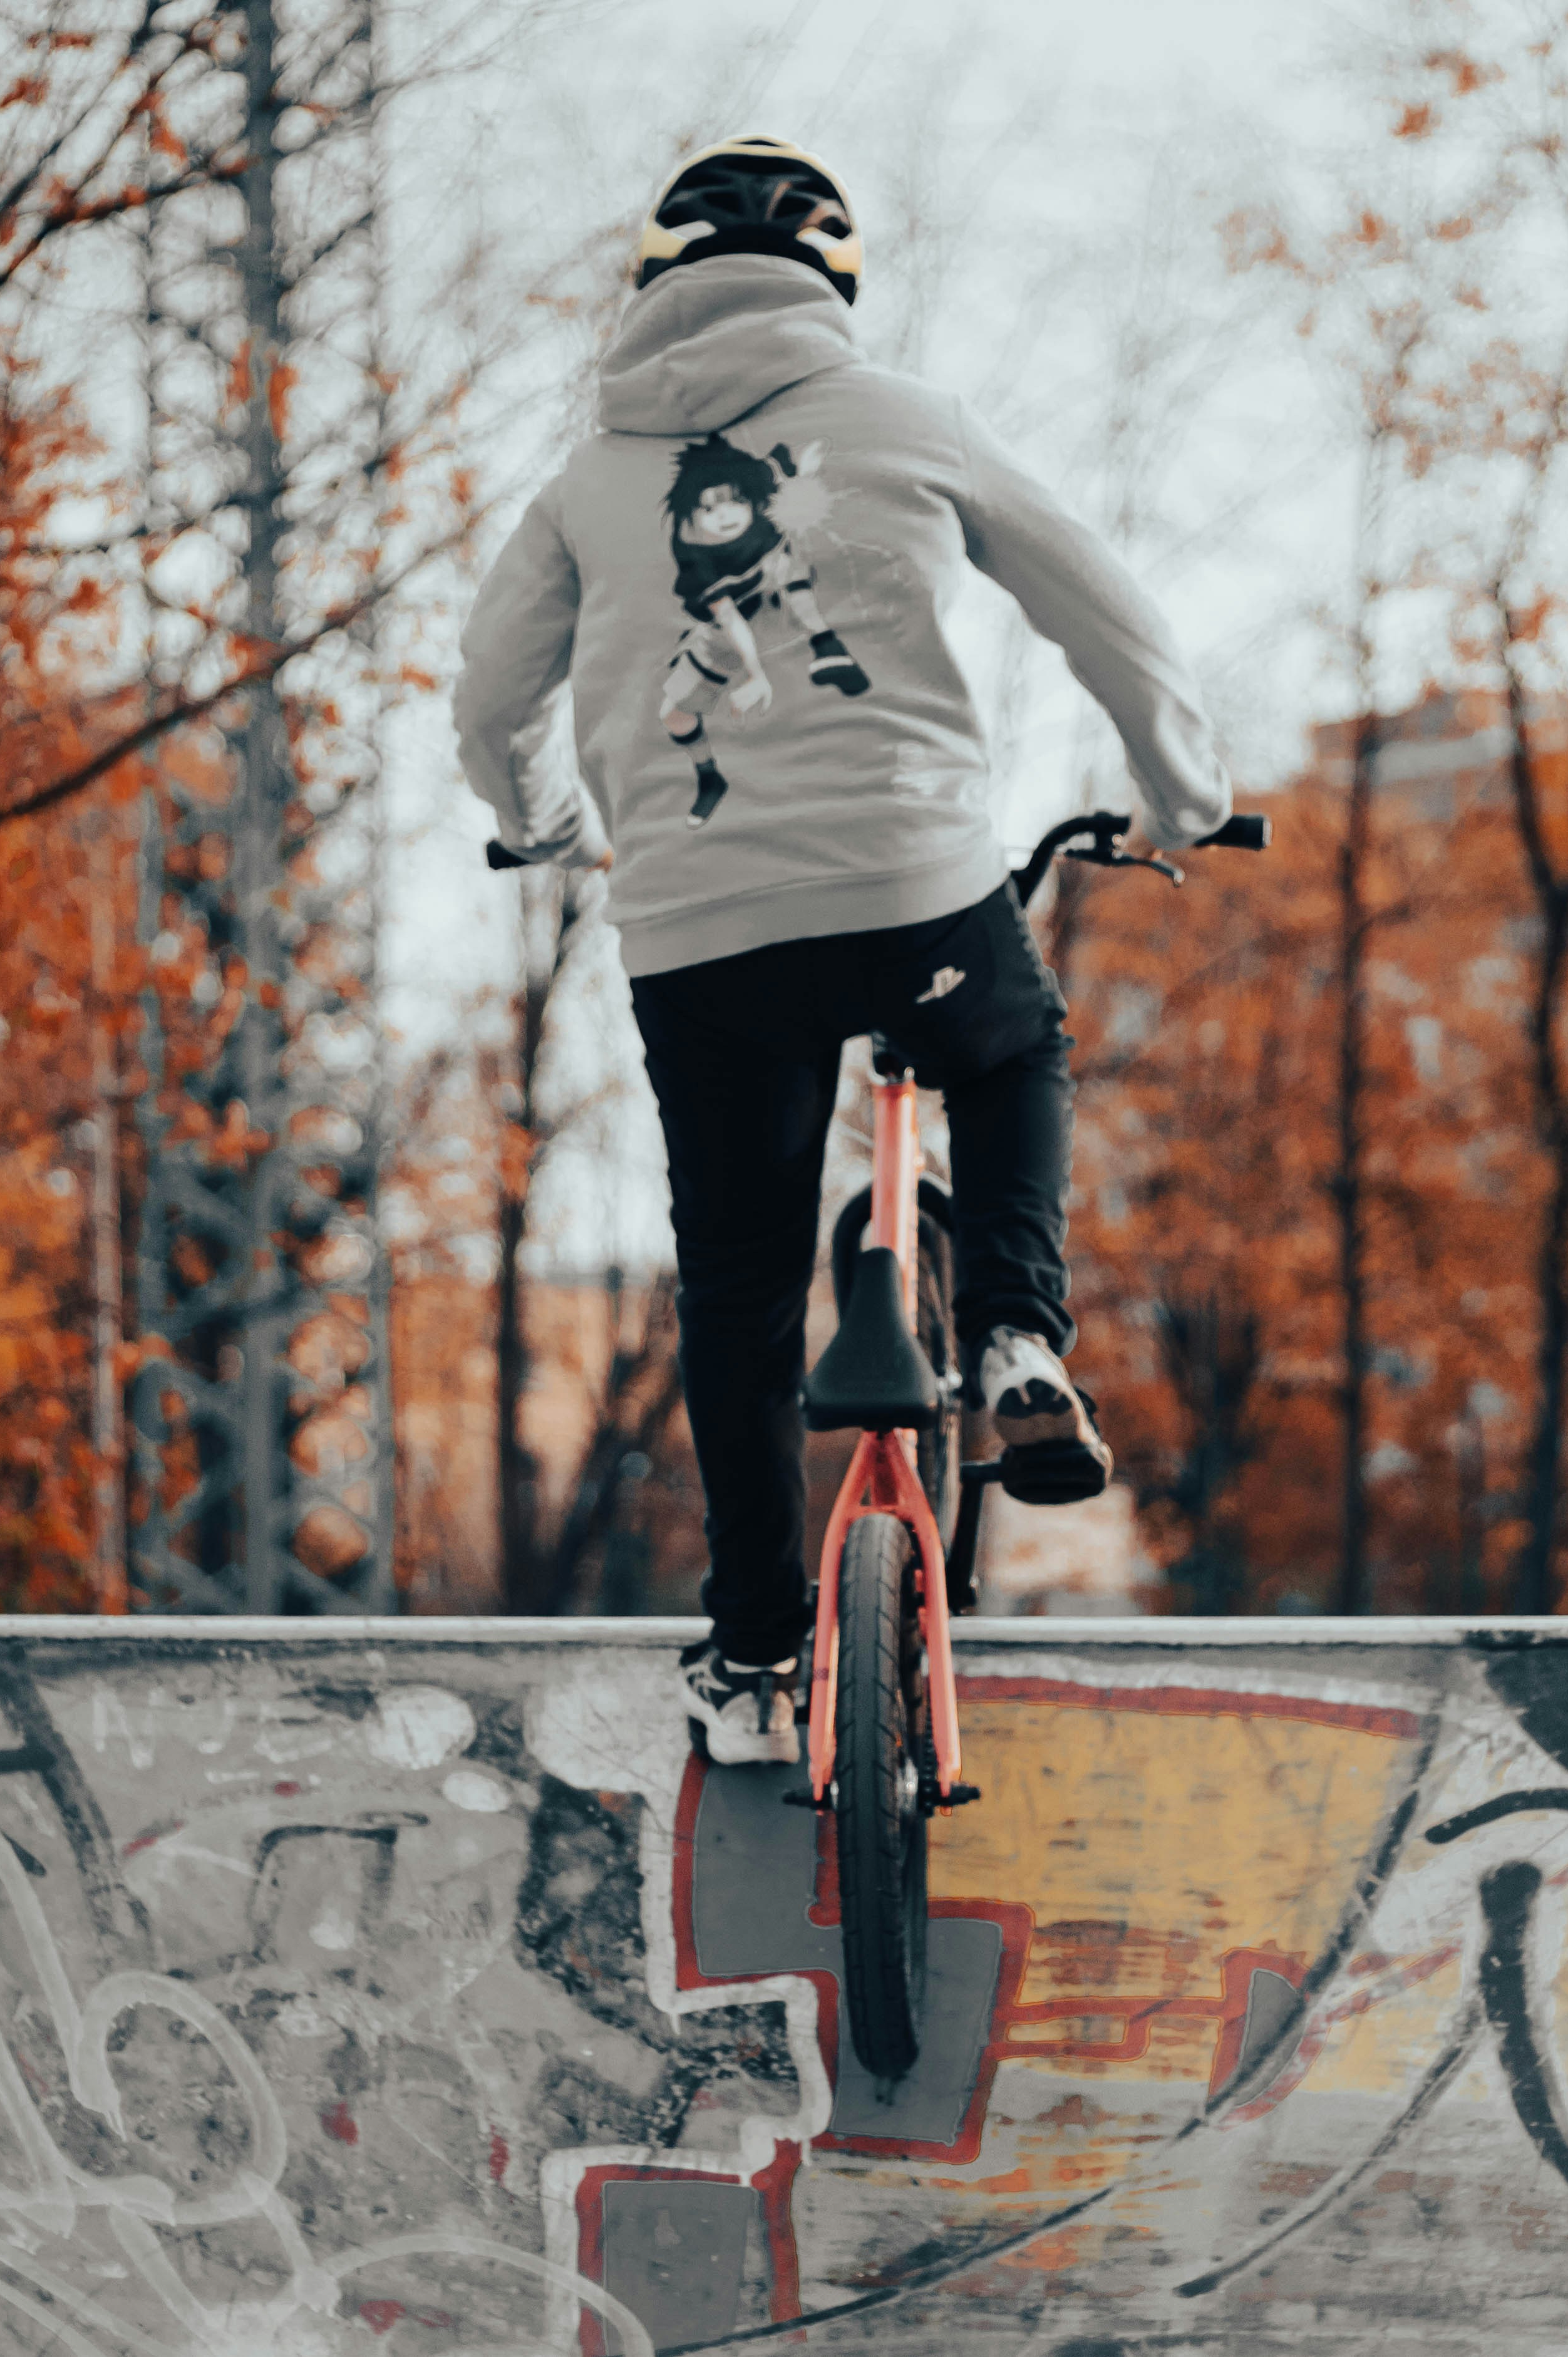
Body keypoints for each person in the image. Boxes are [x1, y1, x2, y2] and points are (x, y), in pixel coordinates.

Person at [453, 135, 1230, 1764]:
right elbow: (1111, 618)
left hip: (700, 936)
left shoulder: (589, 475)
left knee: (737, 1288)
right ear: (833, 284)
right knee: (1014, 1048)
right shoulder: (905, 421)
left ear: (656, 285)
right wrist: (1181, 793)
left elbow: (489, 697)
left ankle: (750, 1658)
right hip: (911, 894)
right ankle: (1018, 1328)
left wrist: (532, 820)